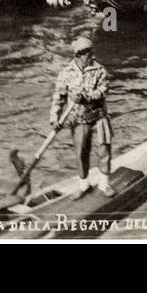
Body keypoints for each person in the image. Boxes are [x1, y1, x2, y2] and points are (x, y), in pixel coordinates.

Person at [50, 36, 115, 200]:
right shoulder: (66, 73)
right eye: (87, 53)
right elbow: (59, 97)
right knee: (80, 153)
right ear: (78, 54)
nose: (91, 55)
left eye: (91, 51)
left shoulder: (100, 70)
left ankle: (104, 184)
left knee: (104, 150)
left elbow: (103, 90)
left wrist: (86, 97)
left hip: (98, 115)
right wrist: (55, 118)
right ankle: (83, 184)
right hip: (78, 119)